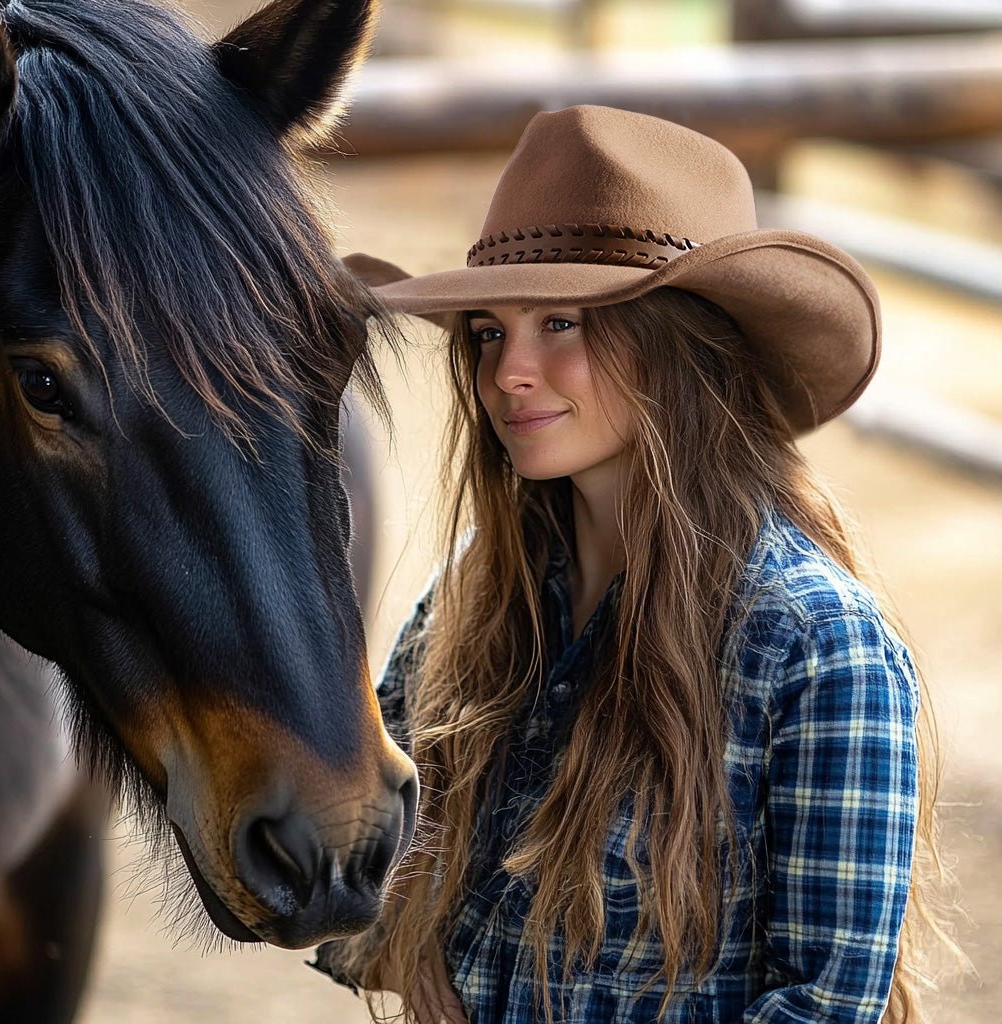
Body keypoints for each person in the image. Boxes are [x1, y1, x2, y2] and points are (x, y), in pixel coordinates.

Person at [311, 106, 959, 1023]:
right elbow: (351, 862)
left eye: (564, 323)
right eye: (490, 330)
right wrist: (412, 958)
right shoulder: (479, 592)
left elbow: (823, 1006)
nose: (509, 373)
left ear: (681, 347)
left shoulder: (819, 650)